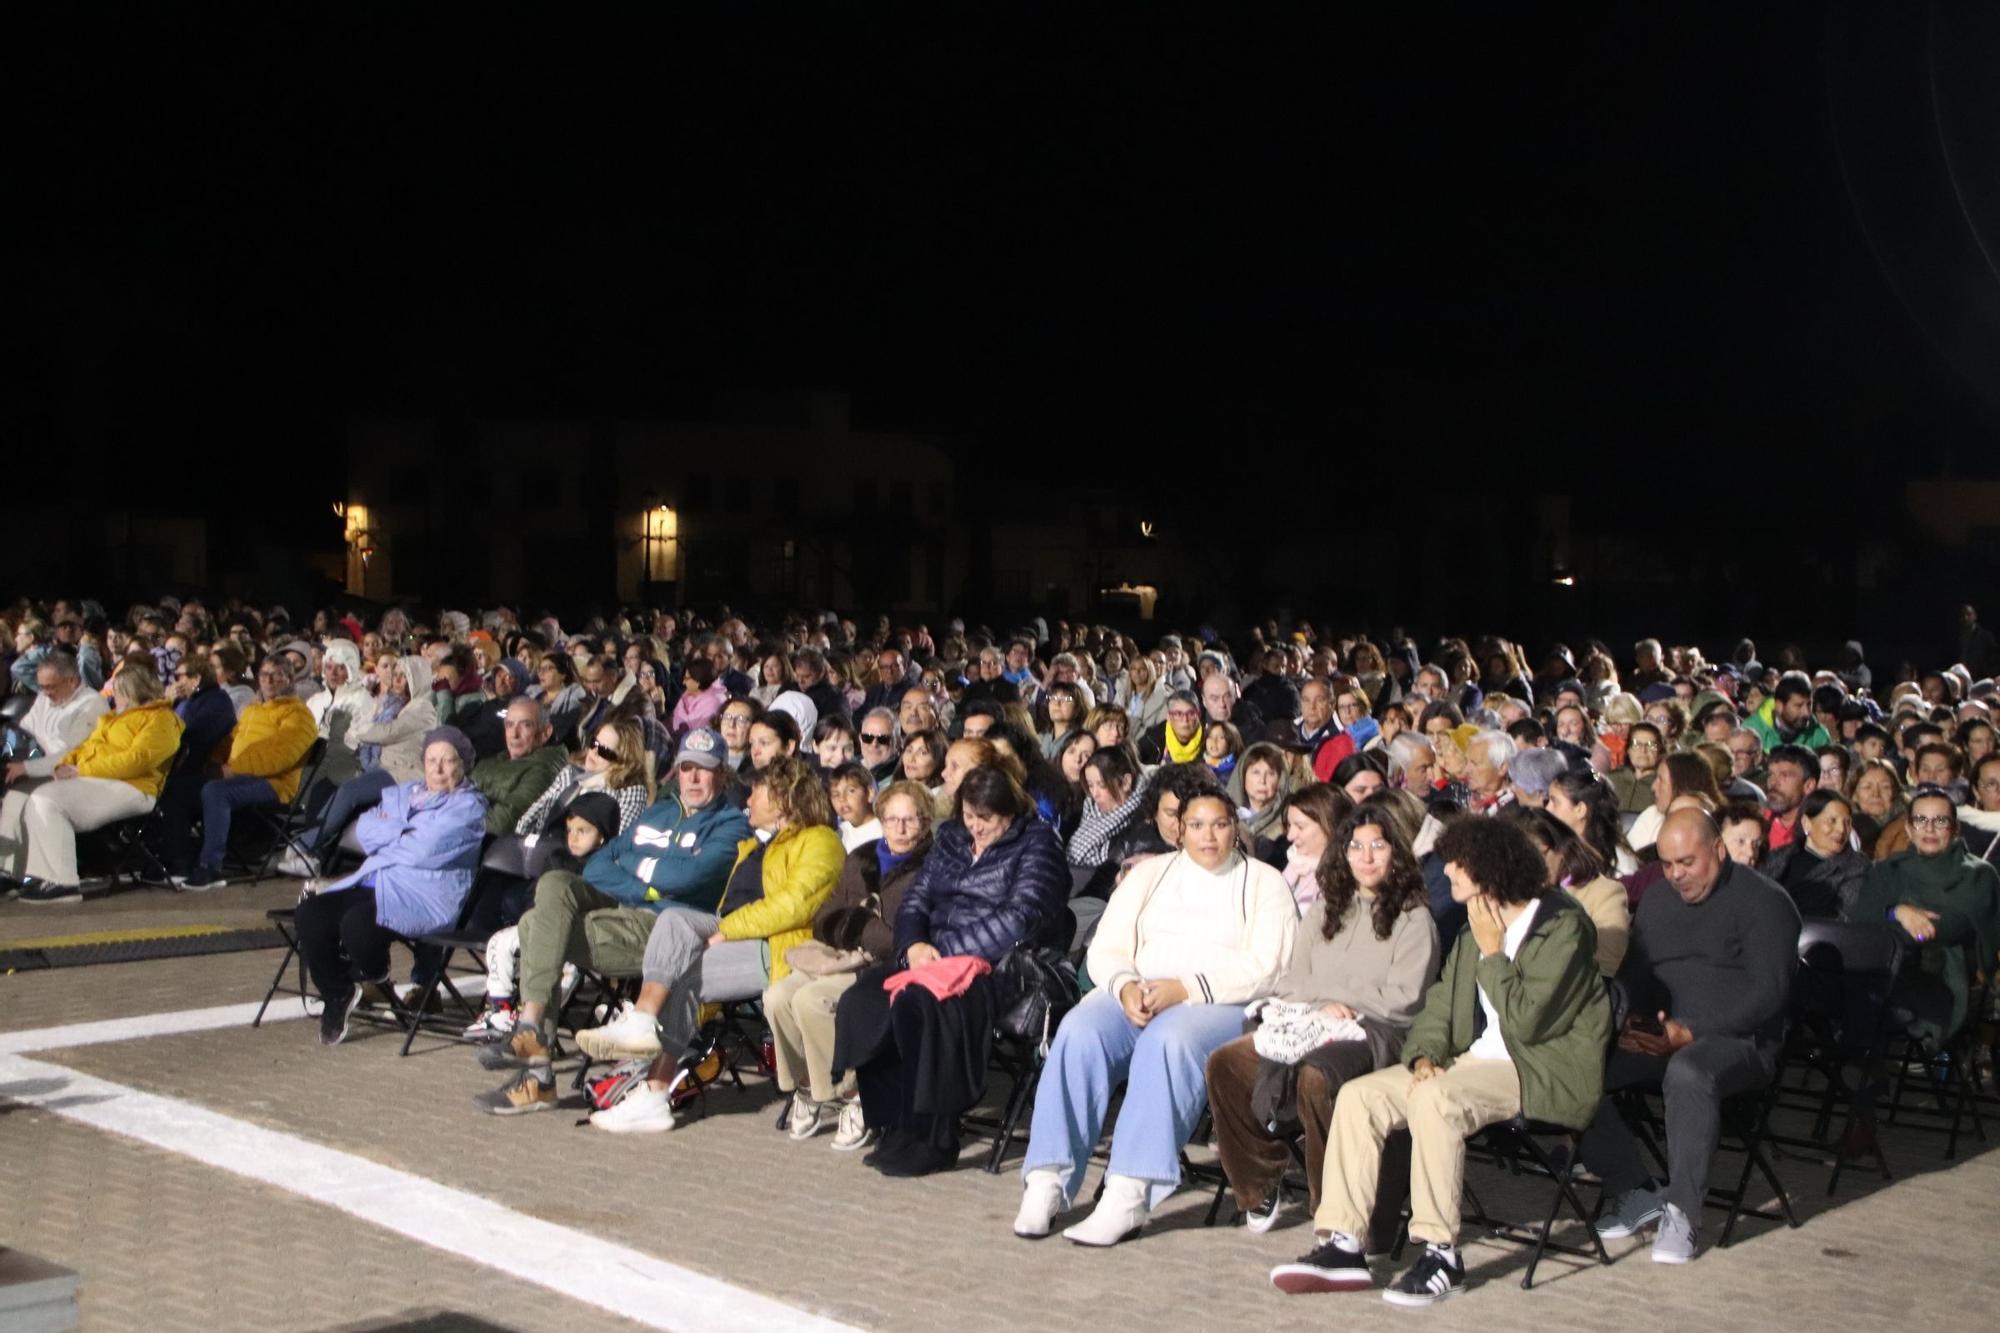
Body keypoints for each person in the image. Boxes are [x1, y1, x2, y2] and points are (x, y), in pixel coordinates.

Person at [1269, 816, 1609, 1304]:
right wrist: (1425, 1053)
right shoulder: (1475, 924)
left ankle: (1441, 1254)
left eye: (1457, 863)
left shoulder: (1562, 927)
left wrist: (1495, 957)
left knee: (1435, 1100)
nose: (1446, 871)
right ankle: (1343, 1243)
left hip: (1539, 1069)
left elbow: (1529, 1025)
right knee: (1360, 1095)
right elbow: (1439, 1008)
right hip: (1476, 1061)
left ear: (1490, 869)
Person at [1015, 793, 1298, 1244]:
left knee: (1169, 1041)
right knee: (1080, 1031)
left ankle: (1128, 1190)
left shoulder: (1265, 883)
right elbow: (1107, 946)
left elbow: (1270, 966)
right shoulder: (1150, 874)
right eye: (1197, 825)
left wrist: (1186, 988)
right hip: (1142, 991)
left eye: (1219, 824)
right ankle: (1048, 1178)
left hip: (1219, 1005)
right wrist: (1125, 985)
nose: (1208, 835)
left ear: (1234, 828)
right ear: (1179, 829)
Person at [473, 727, 750, 1114]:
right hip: (621, 905)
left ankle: (537, 1067)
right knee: (554, 882)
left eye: (704, 769)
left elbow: (686, 880)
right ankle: (532, 1028)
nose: (693, 778)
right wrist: (648, 884)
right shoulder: (660, 811)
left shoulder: (731, 824)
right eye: (686, 768)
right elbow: (600, 863)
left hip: (661, 930)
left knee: (538, 927)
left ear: (722, 773)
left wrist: (639, 872)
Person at [1203, 805, 1440, 1238]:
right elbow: (1294, 981)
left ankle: (1333, 1208)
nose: (1366, 857)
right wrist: (1322, 1003)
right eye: (1356, 847)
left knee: (1317, 1076)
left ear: (1395, 853)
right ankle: (1258, 1183)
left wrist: (1338, 1000)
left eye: (1378, 846)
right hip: (1308, 1020)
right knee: (1226, 1062)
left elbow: (1403, 1000)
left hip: (1375, 1031)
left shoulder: (1413, 917)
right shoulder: (1327, 907)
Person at [578, 754, 845, 1130]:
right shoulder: (756, 845)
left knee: (687, 976)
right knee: (673, 920)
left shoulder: (820, 841)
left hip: (777, 945)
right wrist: (722, 929)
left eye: (756, 792)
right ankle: (641, 1021)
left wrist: (726, 932)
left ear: (784, 799)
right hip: (734, 931)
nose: (747, 800)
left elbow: (793, 907)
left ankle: (653, 1091)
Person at [1584, 809, 1802, 1265]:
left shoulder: (1765, 902)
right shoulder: (1661, 901)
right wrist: (1625, 1023)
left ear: (1718, 850)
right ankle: (1633, 1187)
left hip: (1740, 1040)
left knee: (1689, 1071)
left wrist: (1692, 1032)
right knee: (1576, 1066)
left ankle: (1683, 1210)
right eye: (1666, 864)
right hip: (1665, 1029)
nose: (1676, 875)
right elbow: (1636, 974)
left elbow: (1770, 994)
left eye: (1687, 862)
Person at [834, 765, 1068, 1176]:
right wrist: (913, 945)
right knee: (863, 1001)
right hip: (930, 959)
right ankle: (895, 1121)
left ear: (1009, 813)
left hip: (994, 969)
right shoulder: (952, 839)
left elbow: (1020, 918)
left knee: (918, 1007)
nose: (976, 827)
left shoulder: (1037, 846)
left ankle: (934, 1133)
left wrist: (943, 951)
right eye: (969, 816)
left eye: (987, 819)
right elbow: (916, 901)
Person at [768, 780, 936, 1151]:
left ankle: (854, 1092)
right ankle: (809, 1084)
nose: (901, 828)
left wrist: (857, 926)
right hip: (840, 957)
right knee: (777, 996)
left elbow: (899, 938)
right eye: (892, 819)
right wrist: (858, 926)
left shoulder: (929, 868)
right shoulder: (861, 857)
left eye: (910, 820)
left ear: (925, 823)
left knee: (811, 1001)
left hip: (882, 967)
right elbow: (824, 915)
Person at [297, 727, 489, 1045]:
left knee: (356, 924)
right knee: (311, 913)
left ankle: (373, 972)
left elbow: (426, 851)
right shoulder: (406, 792)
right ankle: (338, 991)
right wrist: (407, 832)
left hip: (423, 893)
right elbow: (365, 830)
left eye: (447, 760)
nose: (438, 769)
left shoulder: (468, 806)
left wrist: (393, 833)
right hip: (379, 878)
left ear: (463, 764)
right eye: (431, 760)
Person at [2, 663, 183, 904]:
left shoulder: (161, 719)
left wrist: (81, 769)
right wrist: (63, 765)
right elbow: (84, 748)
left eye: (117, 691)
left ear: (132, 691)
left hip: (135, 787)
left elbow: (138, 761)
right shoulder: (112, 719)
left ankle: (62, 883)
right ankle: (23, 873)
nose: (112, 695)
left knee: (47, 799)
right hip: (97, 779)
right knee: (26, 794)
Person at [1852, 786, 2000, 1050]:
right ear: (1909, 829)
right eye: (1921, 820)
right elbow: (1859, 922)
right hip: (1886, 972)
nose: (1930, 829)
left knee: (1872, 1001)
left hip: (1949, 980)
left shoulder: (1979, 876)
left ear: (1955, 829)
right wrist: (1898, 911)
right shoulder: (1888, 869)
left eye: (1940, 821)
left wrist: (1885, 921)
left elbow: (1941, 930)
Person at [173, 656, 318, 890]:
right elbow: (229, 742)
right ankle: (177, 861)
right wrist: (213, 762)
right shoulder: (252, 710)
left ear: (290, 679)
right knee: (181, 787)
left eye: (277, 674)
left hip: (274, 783)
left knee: (215, 792)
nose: (269, 680)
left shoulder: (299, 715)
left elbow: (281, 758)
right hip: (238, 777)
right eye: (264, 674)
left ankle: (210, 867)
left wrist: (231, 770)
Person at [299, 654, 437, 870]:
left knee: (350, 792)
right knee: (331, 786)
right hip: (385, 767)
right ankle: (318, 852)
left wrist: (357, 731)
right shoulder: (394, 704)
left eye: (404, 676)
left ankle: (305, 845)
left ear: (417, 680)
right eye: (397, 675)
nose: (397, 680)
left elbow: (388, 732)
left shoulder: (423, 708)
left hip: (403, 773)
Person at [0, 653, 111, 874]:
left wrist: (27, 768)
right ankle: (8, 867)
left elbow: (71, 752)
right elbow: (26, 729)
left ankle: (14, 870)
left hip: (73, 772)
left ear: (71, 681)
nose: (45, 693)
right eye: (41, 687)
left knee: (15, 794)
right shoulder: (44, 698)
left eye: (50, 687)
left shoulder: (92, 705)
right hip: (36, 763)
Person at [1505, 806, 1631, 976]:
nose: (1529, 867)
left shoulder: (1603, 894)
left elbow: (1607, 969)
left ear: (1561, 848)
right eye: (1517, 861)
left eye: (1539, 854)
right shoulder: (1505, 896)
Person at [513, 718, 654, 838]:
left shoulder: (631, 791)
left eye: (604, 751)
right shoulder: (570, 774)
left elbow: (617, 839)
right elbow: (532, 815)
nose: (594, 752)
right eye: (594, 743)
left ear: (623, 762)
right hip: (543, 847)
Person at [1758, 788, 1868, 919]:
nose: (1841, 829)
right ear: (1806, 823)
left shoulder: (1855, 867)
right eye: (1832, 821)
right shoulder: (1777, 857)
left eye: (1847, 822)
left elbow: (1847, 915)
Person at [468, 696, 569, 835]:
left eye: (526, 725)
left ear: (546, 733)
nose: (514, 734)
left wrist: (456, 818)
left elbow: (502, 823)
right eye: (509, 725)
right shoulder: (500, 758)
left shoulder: (543, 769)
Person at [1760, 743, 1819, 853]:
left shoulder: (1823, 830)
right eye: (1771, 774)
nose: (1773, 782)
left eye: (1784, 775)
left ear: (1809, 785)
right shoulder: (1757, 822)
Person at [1136, 690, 1205, 766]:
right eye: (1178, 714)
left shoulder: (1210, 739)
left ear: (1199, 715)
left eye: (1191, 713)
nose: (1185, 720)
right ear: (1168, 717)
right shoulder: (1153, 739)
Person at [829, 762, 882, 850]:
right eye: (836, 794)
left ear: (870, 793)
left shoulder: (884, 831)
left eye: (851, 791)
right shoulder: (839, 833)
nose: (842, 799)